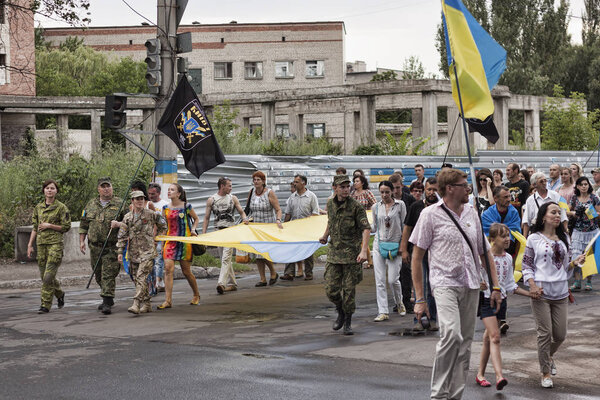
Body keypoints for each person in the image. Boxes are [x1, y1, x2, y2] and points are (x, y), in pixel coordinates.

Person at [409, 168, 502, 400]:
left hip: (471, 284)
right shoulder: (430, 214)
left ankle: (455, 396)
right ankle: (439, 394)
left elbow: (485, 253)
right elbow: (416, 257)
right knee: (451, 334)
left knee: (465, 345)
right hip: (444, 283)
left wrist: (496, 286)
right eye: (464, 184)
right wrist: (420, 298)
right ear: (450, 188)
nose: (468, 188)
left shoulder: (472, 213)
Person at [522, 202, 585, 388]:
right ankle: (545, 373)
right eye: (553, 212)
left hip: (561, 292)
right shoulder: (533, 238)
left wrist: (575, 262)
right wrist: (532, 285)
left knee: (560, 335)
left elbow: (565, 266)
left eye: (559, 213)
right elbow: (527, 265)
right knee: (544, 333)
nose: (557, 215)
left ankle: (547, 356)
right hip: (540, 292)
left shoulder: (564, 237)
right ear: (543, 216)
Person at [475, 223, 531, 391]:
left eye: (508, 235)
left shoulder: (508, 258)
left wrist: (531, 294)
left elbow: (510, 285)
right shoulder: (483, 257)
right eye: (503, 236)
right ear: (492, 240)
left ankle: (480, 374)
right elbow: (472, 277)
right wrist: (479, 284)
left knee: (488, 338)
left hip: (502, 301)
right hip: (486, 300)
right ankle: (499, 376)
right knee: (495, 336)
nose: (508, 239)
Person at [319, 174, 371, 335]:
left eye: (348, 186)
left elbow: (366, 228)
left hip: (351, 255)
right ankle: (340, 310)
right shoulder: (330, 204)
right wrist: (325, 235)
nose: (346, 189)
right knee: (331, 289)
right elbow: (331, 221)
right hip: (335, 253)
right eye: (342, 187)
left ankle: (347, 321)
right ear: (335, 188)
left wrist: (364, 250)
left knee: (349, 291)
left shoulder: (355, 206)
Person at [79, 177, 125, 315]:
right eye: (103, 186)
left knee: (108, 274)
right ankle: (108, 296)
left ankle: (106, 301)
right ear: (98, 189)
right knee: (98, 274)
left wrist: (119, 225)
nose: (106, 189)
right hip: (95, 246)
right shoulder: (91, 204)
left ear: (112, 188)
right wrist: (81, 241)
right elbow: (83, 224)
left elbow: (128, 224)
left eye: (108, 186)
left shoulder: (120, 204)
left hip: (112, 246)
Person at [117, 191, 167, 314]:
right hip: (134, 253)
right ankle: (147, 303)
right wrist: (120, 251)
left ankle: (136, 303)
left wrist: (158, 238)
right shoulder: (127, 217)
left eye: (141, 199)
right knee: (137, 278)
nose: (140, 201)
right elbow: (122, 235)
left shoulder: (150, 214)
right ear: (132, 201)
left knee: (141, 276)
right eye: (137, 199)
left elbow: (163, 225)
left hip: (148, 252)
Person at [401, 177, 439, 331]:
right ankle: (418, 320)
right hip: (418, 253)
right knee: (419, 285)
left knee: (433, 286)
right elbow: (407, 228)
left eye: (435, 190)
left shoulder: (443, 208)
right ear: (425, 190)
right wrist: (403, 249)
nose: (432, 192)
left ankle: (433, 319)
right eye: (429, 189)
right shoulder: (416, 207)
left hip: (436, 254)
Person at [27, 179, 71, 314]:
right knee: (44, 276)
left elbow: (66, 227)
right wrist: (30, 245)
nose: (50, 190)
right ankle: (60, 293)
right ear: (44, 191)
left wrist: (50, 225)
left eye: (52, 188)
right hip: (41, 245)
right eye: (47, 188)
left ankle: (45, 305)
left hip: (55, 245)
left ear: (56, 191)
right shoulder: (38, 208)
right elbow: (35, 227)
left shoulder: (61, 208)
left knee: (47, 277)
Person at [158, 183, 201, 309]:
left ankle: (196, 294)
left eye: (172, 190)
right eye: (169, 190)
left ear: (179, 194)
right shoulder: (165, 208)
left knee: (186, 271)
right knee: (168, 268)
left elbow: (196, 219)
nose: (169, 191)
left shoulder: (187, 206)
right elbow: (163, 226)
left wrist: (193, 229)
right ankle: (168, 300)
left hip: (184, 241)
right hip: (170, 241)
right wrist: (161, 243)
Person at [203, 177, 249, 294]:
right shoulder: (212, 200)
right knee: (224, 258)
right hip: (218, 232)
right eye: (229, 185)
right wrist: (203, 234)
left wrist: (245, 219)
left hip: (230, 231)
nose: (231, 188)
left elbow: (241, 211)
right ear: (222, 186)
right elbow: (207, 218)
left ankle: (221, 283)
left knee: (225, 258)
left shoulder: (233, 198)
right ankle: (232, 283)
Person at [370, 181, 407, 321]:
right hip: (379, 245)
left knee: (392, 280)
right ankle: (383, 311)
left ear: (392, 191)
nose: (384, 195)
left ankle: (399, 302)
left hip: (395, 246)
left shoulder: (400, 205)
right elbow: (374, 226)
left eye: (387, 192)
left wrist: (403, 246)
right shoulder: (376, 207)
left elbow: (404, 226)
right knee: (379, 280)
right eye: (382, 192)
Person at [247, 171, 283, 286]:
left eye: (258, 179)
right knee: (257, 252)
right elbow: (248, 209)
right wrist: (246, 219)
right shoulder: (251, 192)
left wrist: (278, 220)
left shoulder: (269, 193)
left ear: (263, 181)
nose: (256, 182)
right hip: (255, 226)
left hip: (267, 226)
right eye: (255, 180)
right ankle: (262, 278)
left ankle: (273, 272)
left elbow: (278, 209)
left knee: (263, 252)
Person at [283, 174, 320, 280]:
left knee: (307, 251)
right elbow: (288, 213)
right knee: (291, 249)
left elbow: (315, 213)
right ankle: (289, 273)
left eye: (297, 182)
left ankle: (308, 273)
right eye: (294, 182)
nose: (295, 184)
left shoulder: (311, 196)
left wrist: (308, 220)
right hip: (293, 228)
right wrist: (284, 226)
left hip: (307, 229)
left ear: (303, 183)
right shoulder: (292, 197)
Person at [567, 176, 600, 291]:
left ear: (589, 185)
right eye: (582, 184)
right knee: (576, 255)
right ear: (578, 186)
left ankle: (589, 281)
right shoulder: (574, 198)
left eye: (586, 184)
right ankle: (577, 281)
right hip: (578, 231)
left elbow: (599, 212)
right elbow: (567, 211)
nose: (584, 186)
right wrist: (575, 213)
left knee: (589, 256)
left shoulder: (594, 197)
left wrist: (591, 213)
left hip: (592, 230)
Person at [390, 172, 415, 313]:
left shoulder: (409, 199)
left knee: (406, 270)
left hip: (409, 239)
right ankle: (398, 301)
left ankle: (406, 300)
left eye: (398, 188)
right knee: (395, 273)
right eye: (393, 188)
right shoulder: (388, 200)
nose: (395, 191)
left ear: (402, 186)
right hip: (393, 239)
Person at [523, 173, 568, 237]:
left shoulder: (556, 195)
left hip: (554, 231)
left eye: (545, 180)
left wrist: (565, 233)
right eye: (541, 181)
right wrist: (525, 239)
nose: (544, 183)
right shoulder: (530, 200)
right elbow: (526, 221)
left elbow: (563, 216)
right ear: (534, 185)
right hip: (537, 232)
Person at [148, 182, 168, 294]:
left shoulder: (165, 204)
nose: (151, 196)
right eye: (149, 193)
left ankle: (158, 282)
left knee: (159, 259)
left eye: (153, 194)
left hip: (161, 236)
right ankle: (154, 281)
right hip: (148, 237)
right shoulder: (146, 204)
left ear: (159, 193)